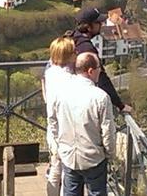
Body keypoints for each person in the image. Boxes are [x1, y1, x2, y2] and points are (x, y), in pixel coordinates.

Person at [48, 52, 116, 196]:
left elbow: (52, 121)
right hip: (94, 157)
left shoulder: (60, 93)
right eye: (99, 68)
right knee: (96, 192)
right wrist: (109, 154)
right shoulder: (101, 97)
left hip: (68, 155)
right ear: (91, 71)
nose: (101, 71)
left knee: (70, 192)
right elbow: (108, 132)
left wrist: (58, 146)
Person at [71, 7, 130, 113]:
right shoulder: (87, 49)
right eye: (98, 23)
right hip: (79, 101)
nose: (101, 25)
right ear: (89, 27)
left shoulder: (72, 39)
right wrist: (120, 105)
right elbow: (101, 78)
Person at [41, 35, 76, 196]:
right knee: (66, 173)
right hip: (66, 130)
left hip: (53, 129)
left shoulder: (49, 73)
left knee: (55, 168)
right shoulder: (69, 79)